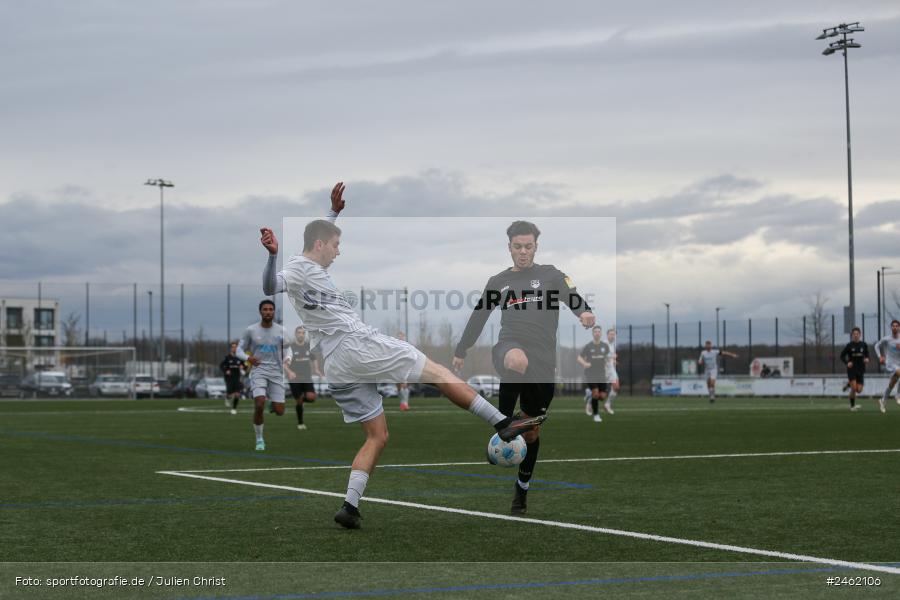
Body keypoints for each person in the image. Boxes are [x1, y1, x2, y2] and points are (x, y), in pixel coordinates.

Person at [259, 182, 542, 529]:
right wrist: (273, 254)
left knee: (377, 435)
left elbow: (308, 247)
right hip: (357, 345)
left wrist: (332, 214)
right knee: (438, 372)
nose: (338, 251)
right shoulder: (302, 267)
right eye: (335, 245)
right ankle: (503, 422)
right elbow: (271, 285)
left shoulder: (305, 266)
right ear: (320, 245)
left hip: (337, 364)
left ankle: (349, 505)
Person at [453, 220, 595, 515]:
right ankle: (502, 421)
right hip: (510, 345)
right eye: (517, 247)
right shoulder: (498, 282)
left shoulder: (551, 275)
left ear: (535, 247)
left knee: (531, 434)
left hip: (544, 363)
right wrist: (461, 349)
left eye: (528, 246)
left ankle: (522, 488)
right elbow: (479, 316)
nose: (522, 252)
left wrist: (584, 312)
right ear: (509, 248)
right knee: (516, 359)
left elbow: (573, 296)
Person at [235, 300, 292, 451]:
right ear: (260, 312)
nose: (268, 312)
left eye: (271, 309)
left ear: (273, 312)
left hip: (276, 372)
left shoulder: (282, 330)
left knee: (280, 411)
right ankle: (259, 439)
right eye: (265, 309)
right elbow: (238, 351)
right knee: (258, 404)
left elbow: (288, 349)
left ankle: (271, 404)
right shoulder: (251, 330)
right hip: (258, 371)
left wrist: (287, 359)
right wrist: (249, 358)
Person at [284, 326, 322, 430]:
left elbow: (314, 359)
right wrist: (290, 372)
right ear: (296, 334)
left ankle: (301, 400)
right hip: (294, 378)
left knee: (311, 397)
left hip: (306, 377)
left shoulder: (308, 346)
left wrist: (317, 369)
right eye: (299, 333)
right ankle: (300, 423)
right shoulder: (291, 348)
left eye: (303, 333)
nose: (301, 334)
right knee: (299, 400)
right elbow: (285, 364)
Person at [577, 326, 609, 423]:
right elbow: (579, 357)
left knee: (602, 396)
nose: (597, 333)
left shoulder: (605, 346)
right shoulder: (588, 346)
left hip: (602, 374)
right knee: (596, 393)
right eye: (595, 331)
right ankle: (596, 415)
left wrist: (610, 362)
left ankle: (589, 395)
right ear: (593, 333)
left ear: (601, 333)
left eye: (599, 331)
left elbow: (607, 358)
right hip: (591, 373)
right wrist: (584, 363)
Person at [873, 319, 900, 414]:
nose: (895, 327)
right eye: (893, 326)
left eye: (897, 326)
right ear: (891, 327)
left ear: (899, 328)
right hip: (890, 364)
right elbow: (876, 346)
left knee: (892, 384)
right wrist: (880, 357)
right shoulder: (887, 339)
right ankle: (898, 395)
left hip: (898, 364)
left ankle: (883, 400)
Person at [839, 327, 869, 411]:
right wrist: (847, 363)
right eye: (854, 334)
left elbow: (867, 354)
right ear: (852, 335)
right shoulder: (849, 345)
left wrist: (867, 358)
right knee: (854, 388)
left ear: (860, 335)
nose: (856, 335)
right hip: (851, 370)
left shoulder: (864, 344)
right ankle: (852, 406)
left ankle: (848, 384)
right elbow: (842, 356)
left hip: (861, 369)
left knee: (859, 390)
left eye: (857, 334)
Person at [219, 342, 246, 415]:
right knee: (230, 394)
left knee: (237, 394)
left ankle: (234, 409)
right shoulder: (227, 358)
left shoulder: (240, 358)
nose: (234, 348)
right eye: (233, 347)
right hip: (229, 378)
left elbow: (245, 367)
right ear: (231, 348)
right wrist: (226, 370)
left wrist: (243, 367)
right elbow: (222, 366)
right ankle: (227, 398)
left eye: (235, 347)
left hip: (237, 378)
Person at [604, 327, 620, 414]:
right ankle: (589, 397)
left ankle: (607, 405)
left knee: (616, 387)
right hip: (604, 370)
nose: (613, 336)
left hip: (611, 369)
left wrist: (614, 361)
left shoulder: (612, 345)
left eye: (614, 334)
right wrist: (612, 358)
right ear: (607, 335)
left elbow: (610, 357)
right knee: (600, 393)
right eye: (611, 334)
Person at [395, 332, 411, 411]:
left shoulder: (406, 346)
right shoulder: (394, 346)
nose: (401, 337)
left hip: (404, 367)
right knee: (398, 387)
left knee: (404, 385)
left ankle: (405, 404)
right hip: (396, 367)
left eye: (402, 336)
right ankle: (402, 404)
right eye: (399, 336)